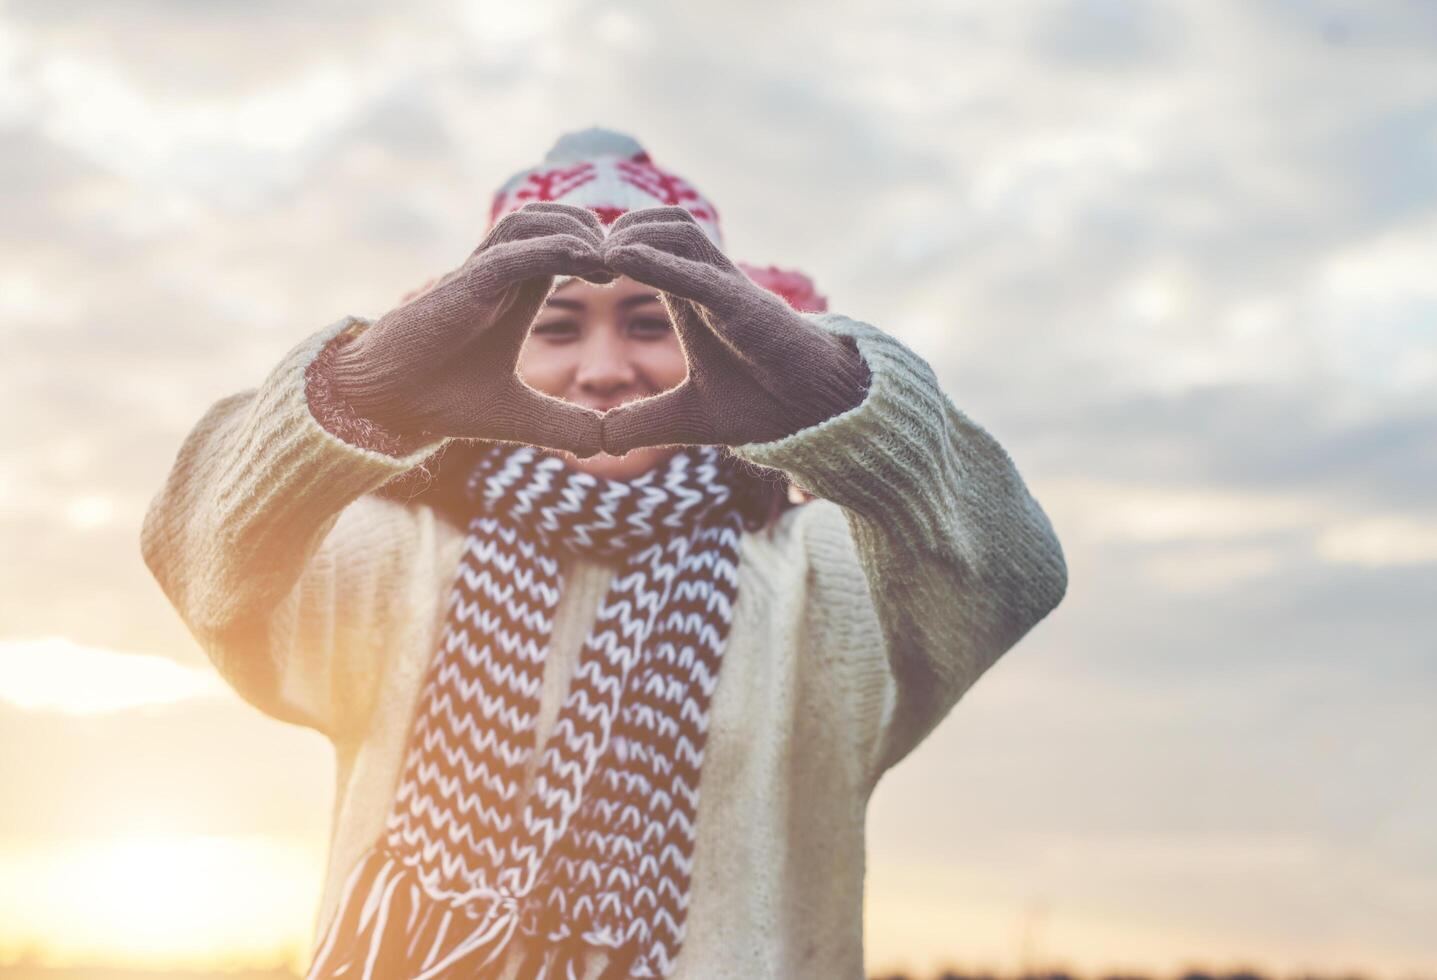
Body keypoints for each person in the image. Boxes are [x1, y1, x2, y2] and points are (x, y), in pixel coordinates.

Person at [139, 127, 1069, 979]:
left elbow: (1002, 571)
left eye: (649, 321)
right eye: (555, 325)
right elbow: (200, 552)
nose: (601, 369)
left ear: (725, 338)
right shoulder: (390, 561)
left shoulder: (818, 582)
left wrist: (837, 401)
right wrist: (360, 391)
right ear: (482, 348)